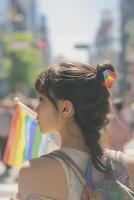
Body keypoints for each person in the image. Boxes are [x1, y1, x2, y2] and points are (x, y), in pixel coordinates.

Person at [11, 61, 134, 200]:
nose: (36, 108)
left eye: (41, 99)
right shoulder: (129, 168)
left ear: (65, 109)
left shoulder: (33, 171)